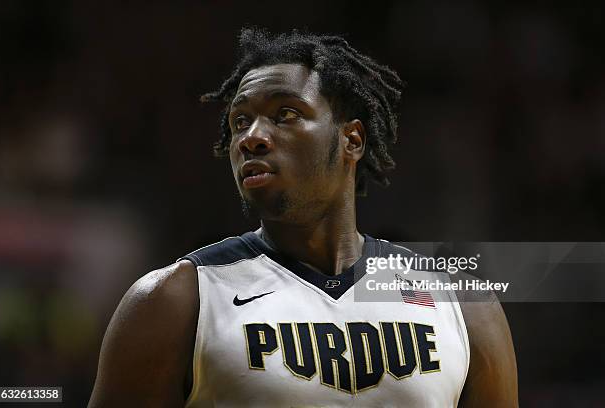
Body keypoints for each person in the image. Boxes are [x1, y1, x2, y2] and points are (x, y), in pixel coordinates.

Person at [88, 28, 517, 407]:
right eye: (240, 122)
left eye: (285, 115)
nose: (252, 137)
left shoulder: (461, 302)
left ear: (351, 140)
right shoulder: (175, 301)